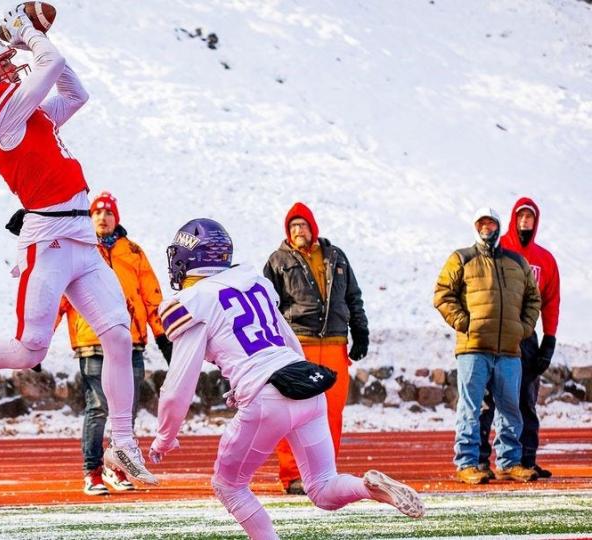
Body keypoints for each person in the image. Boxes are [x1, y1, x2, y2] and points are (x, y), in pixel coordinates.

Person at [0, 7, 156, 485]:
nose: (11, 66)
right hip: (46, 242)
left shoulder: (22, 110)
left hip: (82, 238)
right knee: (29, 349)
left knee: (119, 336)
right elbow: (48, 64)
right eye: (0, 65)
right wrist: (26, 32)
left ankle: (123, 444)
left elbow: (75, 91)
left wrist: (33, 41)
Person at [150, 218, 424, 539]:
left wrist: (165, 437)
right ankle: (368, 487)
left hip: (267, 396)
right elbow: (288, 341)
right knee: (323, 488)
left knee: (229, 486)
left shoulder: (194, 300)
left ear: (188, 258)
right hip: (303, 382)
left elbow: (179, 385)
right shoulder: (254, 282)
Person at [55, 191, 172, 495]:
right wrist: (41, 336)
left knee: (127, 410)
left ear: (116, 218)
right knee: (98, 408)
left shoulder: (133, 252)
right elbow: (58, 296)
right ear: (89, 218)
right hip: (92, 339)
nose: (102, 217)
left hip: (130, 340)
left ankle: (116, 466)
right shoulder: (78, 250)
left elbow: (151, 296)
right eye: (96, 213)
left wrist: (161, 335)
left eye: (108, 213)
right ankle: (91, 471)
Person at [262, 202, 368, 495]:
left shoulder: (336, 257)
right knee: (292, 412)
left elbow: (353, 297)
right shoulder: (277, 261)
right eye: (293, 226)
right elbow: (267, 307)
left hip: (335, 343)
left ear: (313, 227)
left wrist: (360, 332)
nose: (298, 230)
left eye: (303, 225)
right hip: (298, 344)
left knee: (332, 411)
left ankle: (324, 473)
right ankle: (293, 475)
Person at [433, 208, 542, 485]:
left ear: (498, 226)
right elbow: (442, 295)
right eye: (482, 222)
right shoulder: (462, 258)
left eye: (491, 222)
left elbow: (533, 299)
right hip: (473, 348)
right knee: (471, 409)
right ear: (475, 226)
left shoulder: (517, 261)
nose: (486, 227)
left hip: (508, 350)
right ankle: (467, 462)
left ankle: (510, 462)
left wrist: (523, 329)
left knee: (510, 409)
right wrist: (463, 322)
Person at [478, 197, 560, 479]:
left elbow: (551, 301)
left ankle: (525, 459)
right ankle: (479, 461)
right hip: (495, 333)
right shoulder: (501, 251)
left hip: (526, 335)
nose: (525, 222)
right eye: (521, 217)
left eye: (530, 218)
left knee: (525, 399)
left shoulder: (545, 259)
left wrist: (549, 340)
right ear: (513, 219)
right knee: (488, 399)